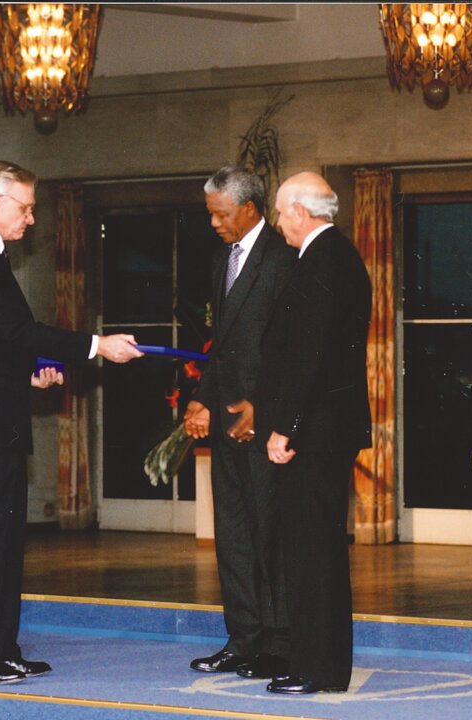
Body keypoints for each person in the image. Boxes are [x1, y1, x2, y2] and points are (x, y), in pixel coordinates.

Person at [0, 160, 143, 685]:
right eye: (25, 208)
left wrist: (25, 377)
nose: (30, 219)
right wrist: (96, 345)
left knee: (3, 539)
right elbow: (17, 330)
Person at [254, 172, 372, 695]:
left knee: (313, 550)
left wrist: (286, 428)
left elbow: (312, 357)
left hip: (315, 432)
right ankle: (310, 660)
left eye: (281, 214)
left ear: (301, 212)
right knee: (308, 548)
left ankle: (318, 668)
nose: (279, 224)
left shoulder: (326, 260)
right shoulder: (332, 257)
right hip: (320, 428)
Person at [183, 166, 296, 680]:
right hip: (226, 421)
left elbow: (289, 349)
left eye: (220, 213)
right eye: (210, 213)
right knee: (232, 534)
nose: (214, 223)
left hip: (263, 424)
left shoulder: (284, 260)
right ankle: (243, 639)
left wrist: (264, 408)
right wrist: (202, 400)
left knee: (272, 534)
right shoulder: (221, 259)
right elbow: (222, 344)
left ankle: (279, 642)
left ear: (249, 209)